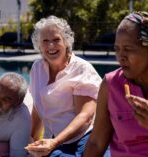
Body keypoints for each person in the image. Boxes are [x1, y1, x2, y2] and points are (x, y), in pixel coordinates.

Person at [83, 11, 148, 157]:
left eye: (128, 49)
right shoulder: (111, 84)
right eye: (117, 49)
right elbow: (96, 143)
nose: (120, 57)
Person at [25, 15, 103, 157]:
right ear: (39, 45)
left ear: (66, 41)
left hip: (84, 137)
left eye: (56, 40)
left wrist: (54, 143)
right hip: (54, 139)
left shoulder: (81, 69)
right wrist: (30, 142)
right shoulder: (37, 68)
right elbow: (38, 107)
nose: (51, 46)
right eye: (45, 41)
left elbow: (85, 116)